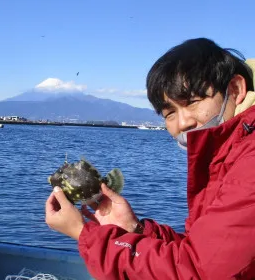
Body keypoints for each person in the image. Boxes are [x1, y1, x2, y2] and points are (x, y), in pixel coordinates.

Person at [45, 38, 255, 279]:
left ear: (235, 90)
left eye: (193, 102)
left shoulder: (249, 161)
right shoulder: (230, 157)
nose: (183, 122)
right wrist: (134, 229)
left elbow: (198, 272)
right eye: (170, 113)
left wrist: (84, 233)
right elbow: (202, 253)